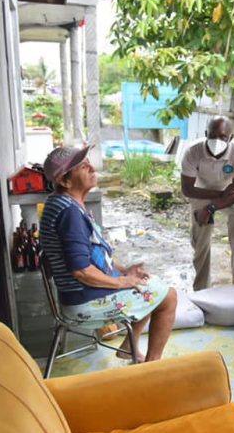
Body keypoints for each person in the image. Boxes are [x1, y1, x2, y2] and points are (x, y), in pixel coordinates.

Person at [39, 145, 177, 363]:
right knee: (168, 296)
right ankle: (154, 366)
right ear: (65, 181)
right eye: (83, 167)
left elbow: (93, 253)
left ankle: (127, 347)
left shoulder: (63, 204)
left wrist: (124, 271)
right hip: (83, 303)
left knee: (147, 283)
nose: (92, 168)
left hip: (79, 295)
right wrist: (123, 281)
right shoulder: (70, 214)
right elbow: (81, 271)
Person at [181, 116, 234, 291]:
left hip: (230, 194)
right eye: (213, 136)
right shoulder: (192, 151)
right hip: (202, 191)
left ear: (231, 138)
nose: (217, 141)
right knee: (202, 230)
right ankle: (201, 285)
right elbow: (188, 190)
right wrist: (217, 197)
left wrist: (212, 207)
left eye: (222, 137)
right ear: (206, 134)